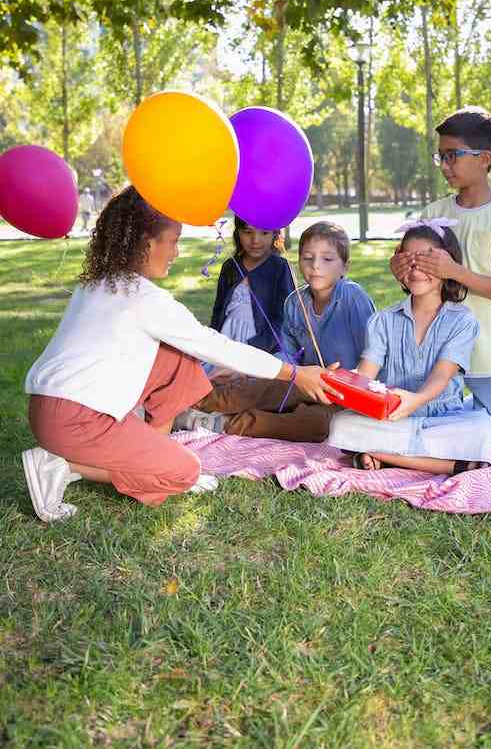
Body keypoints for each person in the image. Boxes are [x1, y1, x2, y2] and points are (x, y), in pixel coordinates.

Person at [21, 186, 335, 523]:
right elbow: (216, 345)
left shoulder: (97, 285)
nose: (176, 251)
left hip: (46, 409)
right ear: (146, 243)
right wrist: (295, 373)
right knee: (184, 471)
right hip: (75, 422)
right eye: (172, 241)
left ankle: (153, 451)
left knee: (178, 357)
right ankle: (63, 466)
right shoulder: (144, 299)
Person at [391, 106, 491, 449]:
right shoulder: (434, 213)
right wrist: (401, 269)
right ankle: (473, 411)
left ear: (484, 159)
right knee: (434, 424)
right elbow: (414, 275)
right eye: (441, 156)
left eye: (452, 155)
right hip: (437, 346)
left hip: (488, 349)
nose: (445, 165)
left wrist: (453, 271)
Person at [181, 221, 375, 443]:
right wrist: (249, 370)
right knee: (263, 387)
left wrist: (342, 384)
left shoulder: (352, 297)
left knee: (320, 425)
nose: (316, 266)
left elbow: (371, 357)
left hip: (345, 393)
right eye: (308, 258)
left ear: (345, 266)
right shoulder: (295, 302)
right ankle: (193, 402)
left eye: (327, 259)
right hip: (306, 381)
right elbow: (287, 354)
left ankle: (221, 423)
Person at [328, 221, 491, 473]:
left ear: (446, 264)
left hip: (443, 419)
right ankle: (452, 466)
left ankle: (382, 456)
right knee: (340, 424)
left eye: (427, 261)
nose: (417, 270)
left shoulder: (462, 320)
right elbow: (365, 375)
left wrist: (416, 400)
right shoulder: (382, 321)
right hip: (392, 418)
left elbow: (441, 375)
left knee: (483, 428)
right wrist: (341, 385)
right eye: (409, 261)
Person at [208, 216, 293, 377]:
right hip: (226, 342)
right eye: (247, 232)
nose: (255, 240)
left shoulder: (280, 268)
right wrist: (212, 345)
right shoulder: (230, 267)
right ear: (237, 233)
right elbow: (218, 310)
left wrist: (253, 352)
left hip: (261, 348)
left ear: (275, 234)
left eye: (264, 233)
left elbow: (282, 320)